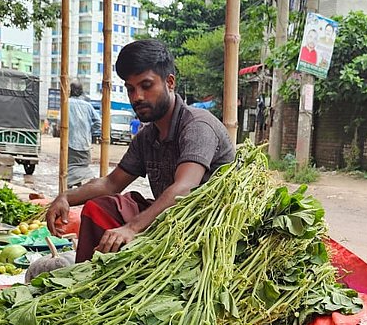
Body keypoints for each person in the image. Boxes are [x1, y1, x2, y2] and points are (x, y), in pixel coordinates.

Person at [45, 39, 235, 262]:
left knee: (128, 225)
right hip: (169, 221)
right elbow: (111, 183)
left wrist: (132, 228)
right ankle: (87, 280)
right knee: (100, 207)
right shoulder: (147, 136)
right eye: (130, 89)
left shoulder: (197, 126)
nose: (137, 97)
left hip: (206, 229)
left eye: (146, 86)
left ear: (170, 82)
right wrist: (66, 197)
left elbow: (185, 186)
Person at [65, 81, 97, 188]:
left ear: (70, 91)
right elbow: (99, 122)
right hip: (85, 143)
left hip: (69, 143)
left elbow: (60, 121)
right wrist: (90, 131)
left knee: (69, 167)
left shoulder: (66, 103)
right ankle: (78, 191)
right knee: (82, 167)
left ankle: (68, 191)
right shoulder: (88, 106)